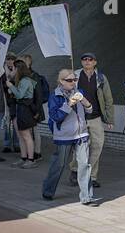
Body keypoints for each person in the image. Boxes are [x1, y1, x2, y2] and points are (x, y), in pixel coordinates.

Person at [41, 69, 96, 204]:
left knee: (84, 165)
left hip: (81, 134)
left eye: (74, 80)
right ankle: (48, 191)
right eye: (69, 80)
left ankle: (86, 196)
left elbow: (90, 110)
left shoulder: (79, 92)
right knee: (58, 165)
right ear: (61, 81)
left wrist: (84, 101)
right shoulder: (55, 95)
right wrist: (69, 105)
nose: (73, 82)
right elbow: (55, 117)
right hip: (63, 136)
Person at [69, 53, 115, 189]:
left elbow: (108, 98)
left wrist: (109, 118)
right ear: (81, 62)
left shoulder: (101, 77)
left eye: (90, 59)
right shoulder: (75, 75)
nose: (87, 61)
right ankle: (75, 170)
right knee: (79, 146)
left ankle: (92, 176)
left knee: (97, 146)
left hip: (95, 117)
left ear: (95, 62)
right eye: (84, 59)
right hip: (79, 117)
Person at [8, 60, 39, 167]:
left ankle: (31, 159)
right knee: (22, 135)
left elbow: (20, 95)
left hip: (25, 109)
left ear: (18, 69)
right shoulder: (24, 80)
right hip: (21, 108)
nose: (11, 70)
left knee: (26, 135)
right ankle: (24, 157)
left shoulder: (25, 80)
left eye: (13, 68)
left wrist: (11, 86)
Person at [21, 54, 48, 161]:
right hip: (28, 108)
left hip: (33, 108)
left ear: (29, 62)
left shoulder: (34, 75)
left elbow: (38, 94)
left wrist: (36, 109)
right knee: (30, 132)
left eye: (24, 62)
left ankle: (37, 153)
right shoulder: (23, 75)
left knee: (35, 131)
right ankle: (31, 152)